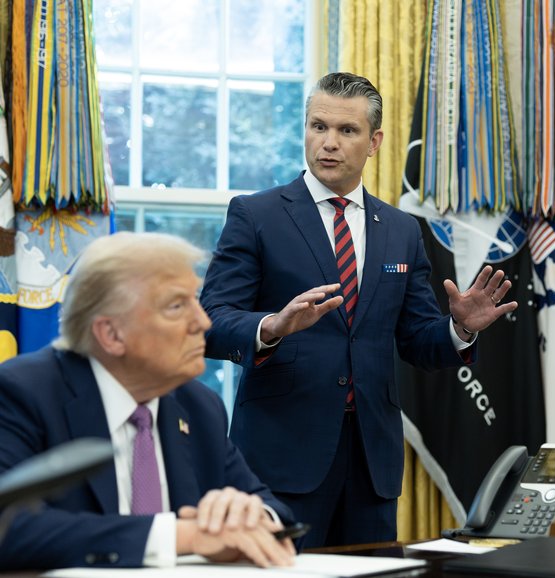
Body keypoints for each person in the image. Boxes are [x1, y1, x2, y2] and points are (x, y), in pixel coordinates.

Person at [199, 72, 518, 547]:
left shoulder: (401, 229)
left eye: (346, 131)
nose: (328, 142)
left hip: (372, 463)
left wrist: (458, 329)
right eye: (318, 126)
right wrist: (272, 326)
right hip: (281, 458)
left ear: (374, 142)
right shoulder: (255, 214)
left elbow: (417, 340)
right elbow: (210, 323)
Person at [0, 232, 297, 570]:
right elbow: (9, 528)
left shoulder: (199, 406)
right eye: (176, 306)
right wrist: (181, 536)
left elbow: (273, 510)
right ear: (111, 334)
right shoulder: (23, 393)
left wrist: (249, 515)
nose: (202, 322)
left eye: (196, 301)